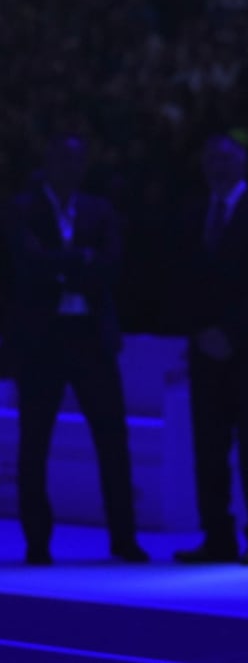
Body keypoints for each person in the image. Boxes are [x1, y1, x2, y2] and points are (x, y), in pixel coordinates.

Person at [2, 134, 149, 566]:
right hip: (42, 340)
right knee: (35, 442)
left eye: (78, 160)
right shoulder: (21, 208)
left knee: (112, 439)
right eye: (63, 159)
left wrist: (62, 264)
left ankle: (124, 538)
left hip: (90, 338)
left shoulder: (99, 211)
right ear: (47, 162)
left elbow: (110, 267)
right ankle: (37, 542)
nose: (72, 168)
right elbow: (27, 265)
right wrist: (78, 261)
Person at [171, 133, 248, 566]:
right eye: (210, 159)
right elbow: (181, 282)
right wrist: (202, 331)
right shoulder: (192, 216)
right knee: (209, 448)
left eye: (225, 159)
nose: (216, 167)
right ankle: (216, 536)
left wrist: (231, 332)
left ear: (243, 164)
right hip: (206, 350)